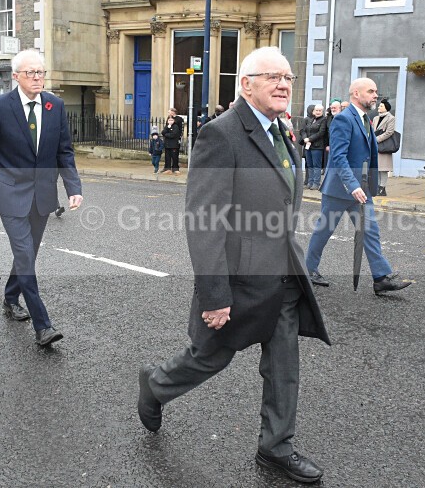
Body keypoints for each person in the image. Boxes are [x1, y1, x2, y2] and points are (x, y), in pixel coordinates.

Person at [137, 46, 330, 484]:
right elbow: (204, 222)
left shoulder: (283, 130)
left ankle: (275, 448)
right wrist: (216, 294)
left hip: (283, 274)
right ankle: (155, 385)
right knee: (209, 357)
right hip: (239, 278)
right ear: (246, 84)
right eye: (272, 77)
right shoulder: (221, 135)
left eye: (288, 78)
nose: (284, 85)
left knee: (284, 365)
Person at [0, 49, 83, 346]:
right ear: (16, 76)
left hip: (43, 195)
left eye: (40, 72)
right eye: (31, 72)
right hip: (11, 194)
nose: (37, 77)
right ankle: (43, 325)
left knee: (28, 254)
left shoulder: (55, 105)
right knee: (24, 254)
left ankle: (10, 298)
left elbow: (64, 151)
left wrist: (73, 187)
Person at [304, 77, 412, 294]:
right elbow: (339, 156)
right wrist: (352, 185)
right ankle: (307, 270)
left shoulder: (365, 119)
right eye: (371, 91)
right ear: (356, 93)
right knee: (324, 230)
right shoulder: (344, 119)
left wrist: (364, 185)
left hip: (361, 188)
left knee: (370, 230)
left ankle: (381, 278)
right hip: (340, 189)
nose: (375, 95)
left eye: (376, 91)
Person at [373, 98, 395, 197]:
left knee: (383, 169)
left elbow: (389, 132)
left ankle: (382, 188)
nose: (379, 107)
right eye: (379, 106)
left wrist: (377, 139)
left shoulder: (391, 118)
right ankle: (378, 187)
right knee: (377, 168)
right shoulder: (375, 118)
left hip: (385, 146)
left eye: (381, 106)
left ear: (386, 108)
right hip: (376, 146)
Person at [302, 104, 326, 190]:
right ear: (313, 111)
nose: (318, 112)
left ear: (322, 111)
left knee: (316, 166)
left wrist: (309, 139)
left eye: (320, 110)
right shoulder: (310, 120)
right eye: (316, 110)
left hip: (317, 146)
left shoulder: (324, 120)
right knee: (309, 165)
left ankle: (316, 183)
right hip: (308, 145)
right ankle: (310, 182)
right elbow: (304, 130)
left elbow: (321, 133)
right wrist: (305, 138)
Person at [161, 108, 182, 174]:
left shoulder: (176, 125)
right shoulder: (167, 126)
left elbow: (174, 134)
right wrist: (167, 129)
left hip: (174, 143)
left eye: (171, 120)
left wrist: (166, 134)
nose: (170, 121)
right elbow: (163, 132)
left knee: (174, 156)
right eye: (169, 120)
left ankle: (175, 169)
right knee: (167, 157)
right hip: (167, 144)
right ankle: (167, 168)